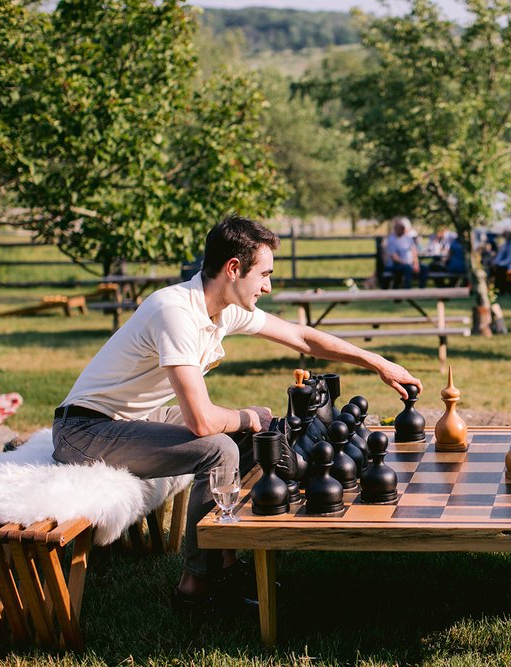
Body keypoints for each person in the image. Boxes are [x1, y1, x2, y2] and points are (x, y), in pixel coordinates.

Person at [52, 213, 423, 614]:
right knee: (219, 448)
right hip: (85, 432)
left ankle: (225, 563)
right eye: (264, 274)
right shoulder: (175, 312)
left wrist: (378, 362)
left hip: (131, 422)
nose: (268, 285)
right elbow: (202, 422)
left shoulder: (222, 308)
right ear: (233, 269)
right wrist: (247, 416)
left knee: (250, 437)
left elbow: (302, 337)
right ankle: (194, 585)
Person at [383, 217, 427, 288]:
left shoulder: (408, 238)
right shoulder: (391, 240)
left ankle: (422, 291)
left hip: (409, 264)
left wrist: (416, 264)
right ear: (396, 228)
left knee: (424, 267)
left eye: (403, 227)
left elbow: (414, 252)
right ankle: (407, 291)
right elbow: (394, 257)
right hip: (396, 265)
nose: (403, 229)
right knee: (407, 268)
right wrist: (407, 264)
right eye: (401, 227)